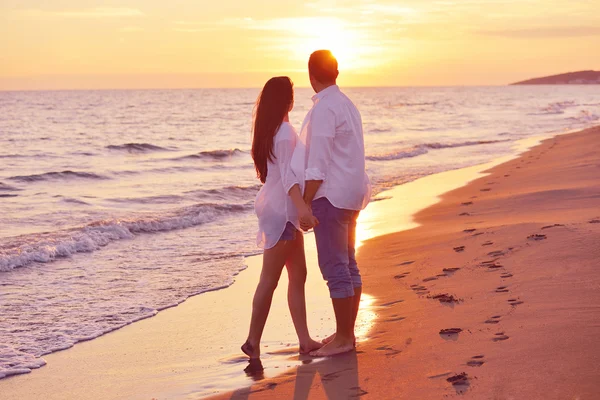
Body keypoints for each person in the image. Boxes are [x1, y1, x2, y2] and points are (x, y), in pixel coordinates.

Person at [291, 50, 371, 357]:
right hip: (352, 193)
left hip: (332, 196)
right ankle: (345, 334)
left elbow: (318, 161)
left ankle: (343, 338)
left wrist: (305, 202)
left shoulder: (325, 107)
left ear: (311, 75)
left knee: (334, 266)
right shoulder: (348, 105)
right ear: (335, 72)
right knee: (348, 264)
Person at [242, 76, 322, 359]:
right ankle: (252, 341)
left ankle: (304, 340)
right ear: (288, 100)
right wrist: (303, 208)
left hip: (276, 208)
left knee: (298, 274)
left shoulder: (272, 131)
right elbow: (289, 176)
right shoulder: (285, 133)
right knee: (269, 279)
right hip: (283, 211)